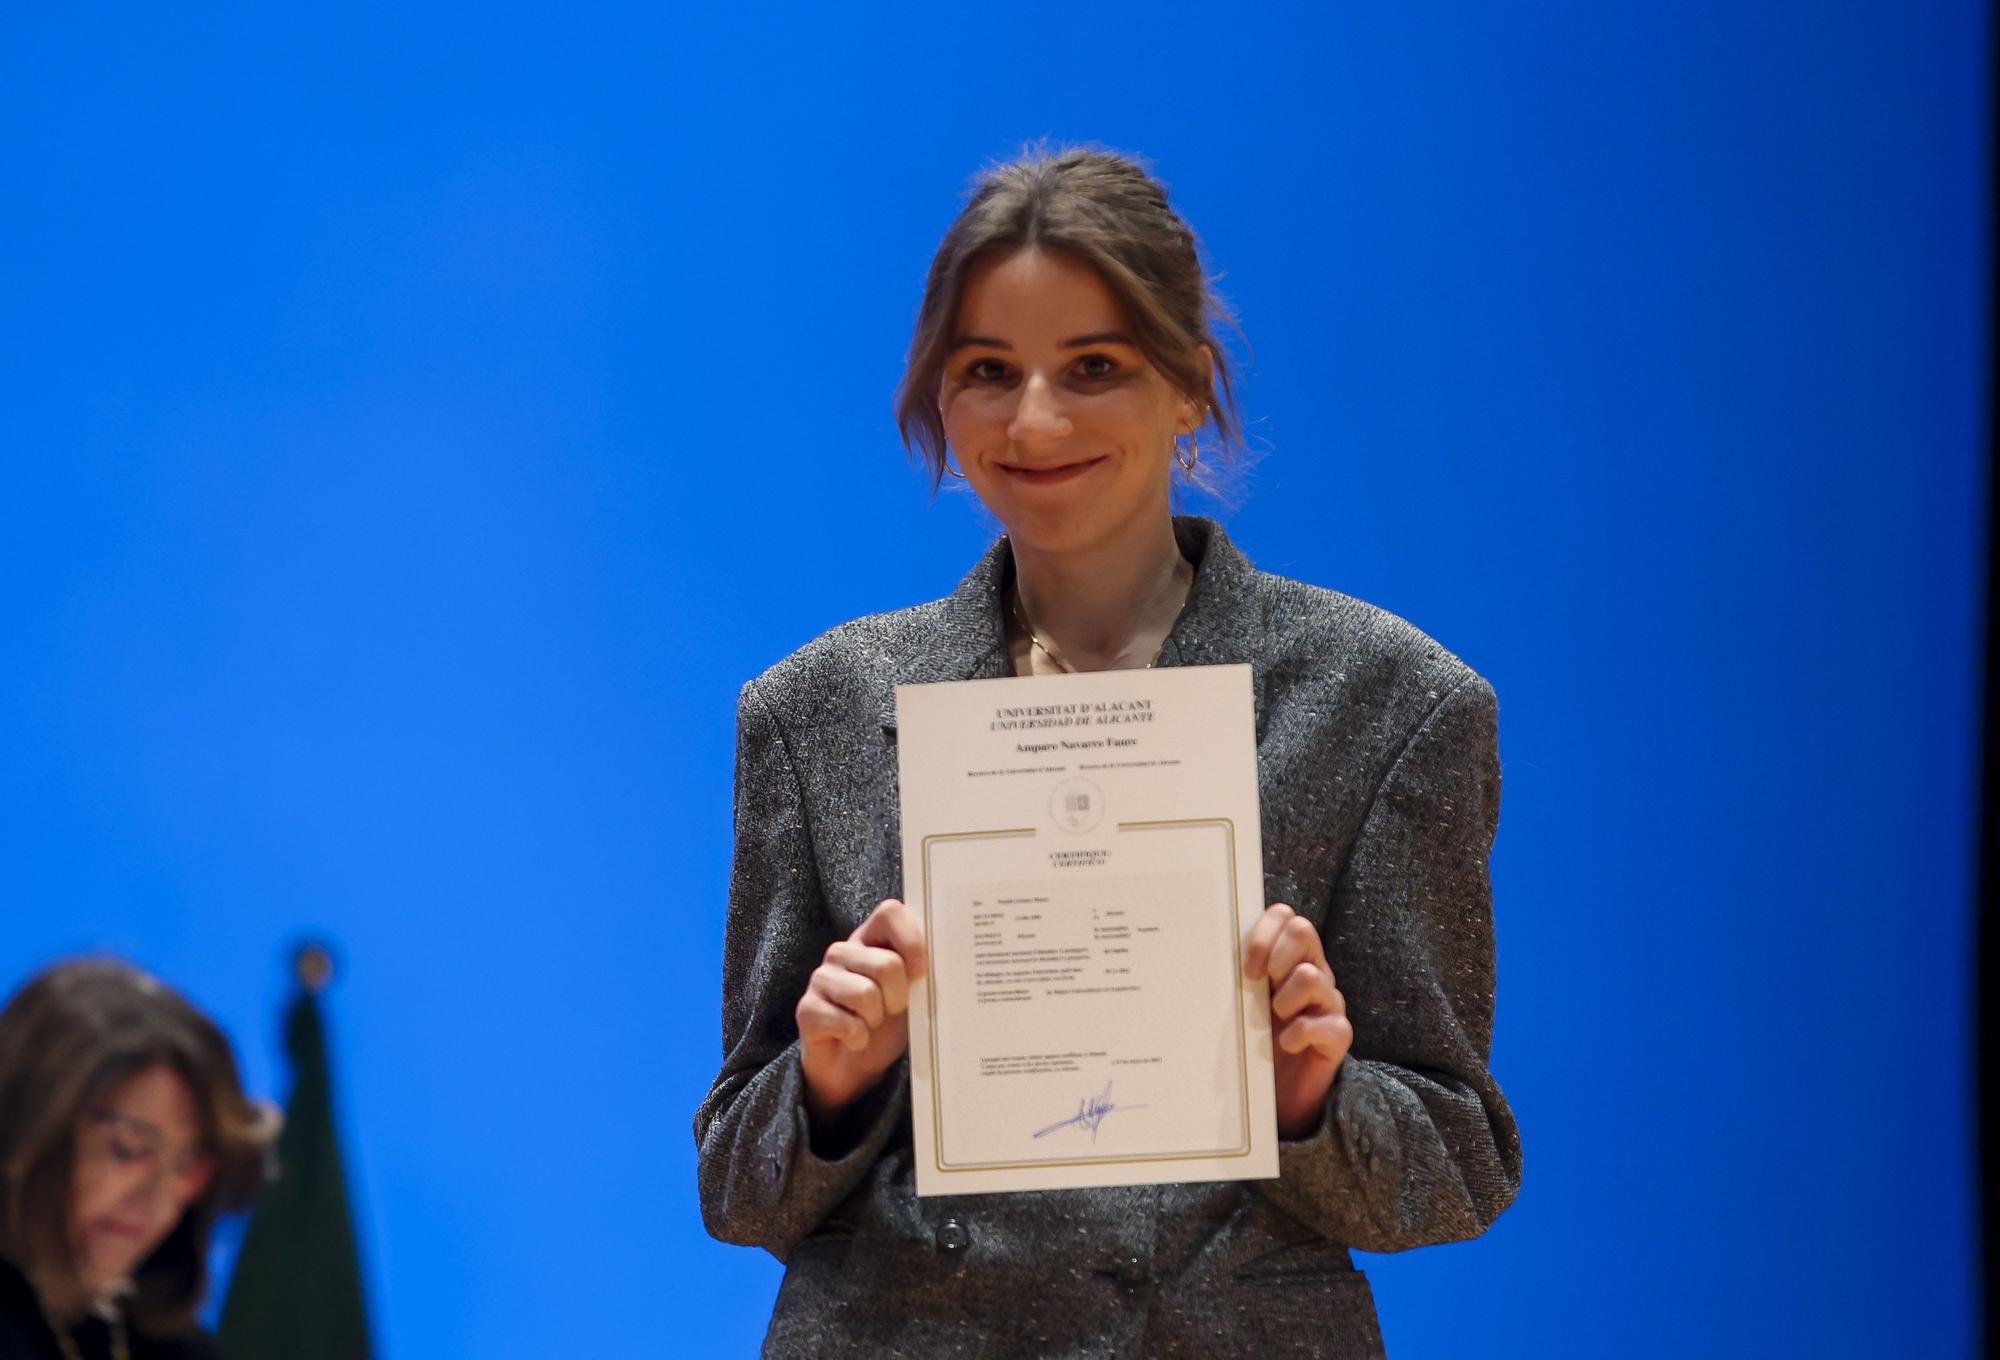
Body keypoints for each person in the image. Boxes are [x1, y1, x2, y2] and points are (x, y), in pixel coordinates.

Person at [694, 147, 1522, 1359]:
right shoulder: (810, 709)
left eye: (1094, 368)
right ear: (936, 398)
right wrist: (829, 1081)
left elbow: (1454, 1163)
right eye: (986, 372)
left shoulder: (1390, 701)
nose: (1034, 420)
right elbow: (736, 1186)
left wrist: (1303, 1098)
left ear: (1189, 383)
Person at [0, 960, 278, 1360]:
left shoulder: (179, 1352)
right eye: (127, 1148)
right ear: (29, 1126)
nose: (156, 1195)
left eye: (187, 1164)